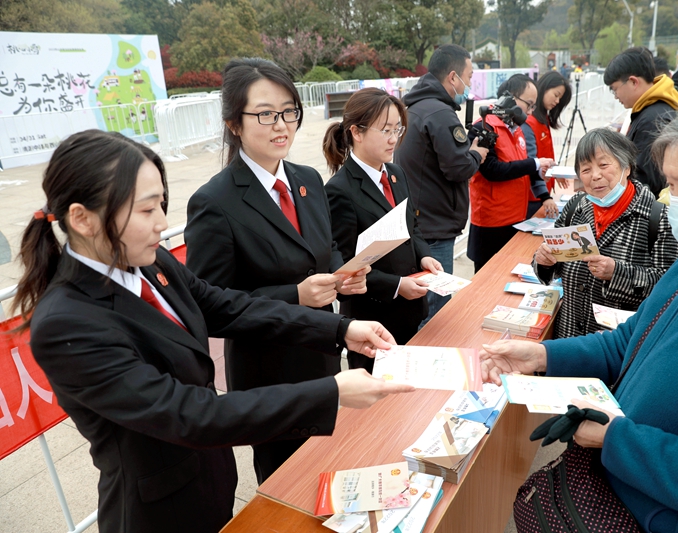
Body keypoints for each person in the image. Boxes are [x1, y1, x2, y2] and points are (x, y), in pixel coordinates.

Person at [13, 130, 413, 533]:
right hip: (159, 512)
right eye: (146, 210)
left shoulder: (150, 263)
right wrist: (333, 392)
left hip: (210, 480)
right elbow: (189, 413)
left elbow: (229, 307)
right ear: (83, 219)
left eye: (161, 206)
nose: (163, 224)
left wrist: (340, 328)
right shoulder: (67, 323)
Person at [482, 80, 678, 533]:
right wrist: (546, 356)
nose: (672, 204)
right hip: (603, 489)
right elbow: (635, 340)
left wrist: (617, 440)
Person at [184, 58, 369, 483]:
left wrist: (345, 274)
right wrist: (296, 296)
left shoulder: (307, 179)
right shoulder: (215, 202)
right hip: (270, 375)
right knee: (287, 485)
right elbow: (209, 304)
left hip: (321, 355)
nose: (280, 124)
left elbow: (329, 249)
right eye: (265, 114)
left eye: (289, 111)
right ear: (234, 122)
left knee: (328, 477)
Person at [323, 88, 442, 372]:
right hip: (373, 319)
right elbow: (347, 267)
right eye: (385, 130)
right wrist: (398, 286)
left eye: (397, 129)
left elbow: (412, 226)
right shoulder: (340, 190)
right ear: (357, 132)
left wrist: (424, 256)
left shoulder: (396, 173)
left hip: (410, 311)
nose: (394, 139)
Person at [533, 128, 678, 338]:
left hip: (620, 347)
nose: (595, 176)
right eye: (585, 170)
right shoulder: (576, 207)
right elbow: (554, 262)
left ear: (627, 167)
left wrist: (616, 273)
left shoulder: (659, 219)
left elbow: (670, 289)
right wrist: (543, 261)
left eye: (604, 165)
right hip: (568, 339)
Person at [394, 44, 488, 328]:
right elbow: (458, 167)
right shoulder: (439, 113)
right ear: (452, 77)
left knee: (425, 305)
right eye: (469, 76)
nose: (469, 84)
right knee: (436, 312)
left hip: (421, 219)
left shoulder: (417, 106)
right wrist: (477, 154)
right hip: (435, 225)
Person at [467, 74, 557, 272]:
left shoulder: (516, 130)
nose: (531, 111)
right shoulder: (484, 127)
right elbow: (491, 170)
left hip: (516, 217)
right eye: (529, 104)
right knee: (487, 279)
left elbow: (526, 166)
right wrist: (534, 163)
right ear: (510, 98)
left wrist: (544, 196)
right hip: (491, 222)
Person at [604, 47, 678, 196]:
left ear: (633, 82)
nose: (615, 96)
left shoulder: (652, 120)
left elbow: (646, 180)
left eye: (614, 89)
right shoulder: (654, 110)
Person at [525, 71, 572, 192]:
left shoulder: (543, 119)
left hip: (544, 189)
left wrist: (554, 171)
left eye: (559, 99)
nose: (557, 101)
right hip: (534, 193)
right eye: (556, 95)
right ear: (544, 88)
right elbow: (530, 161)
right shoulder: (529, 122)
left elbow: (545, 155)